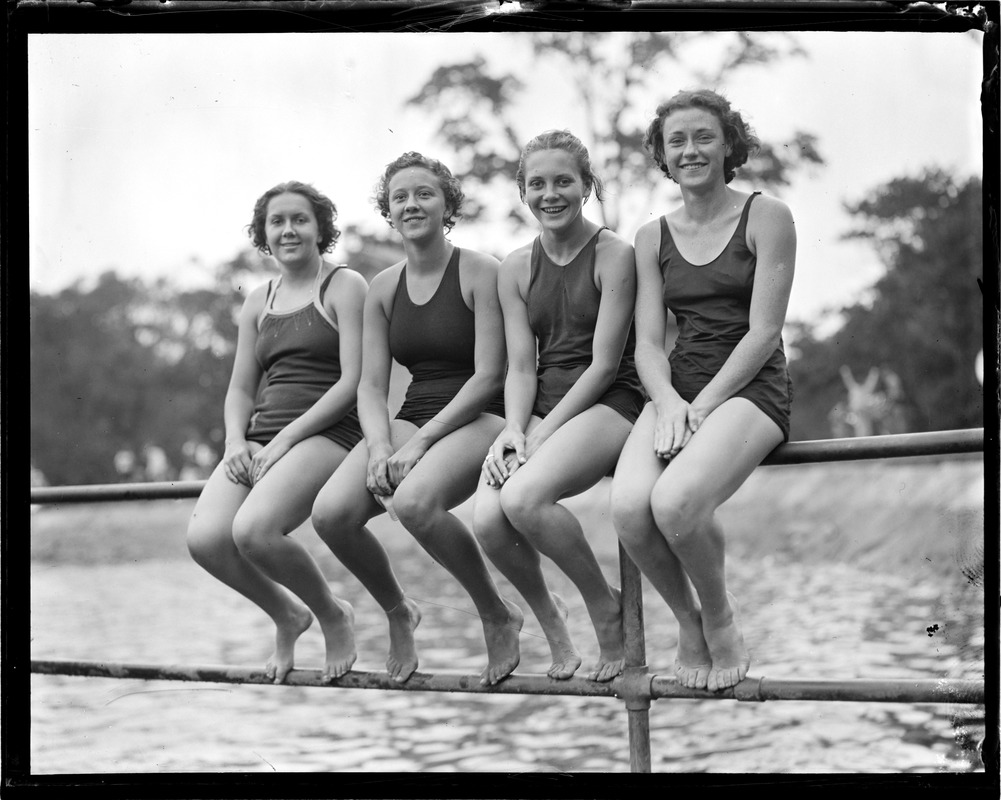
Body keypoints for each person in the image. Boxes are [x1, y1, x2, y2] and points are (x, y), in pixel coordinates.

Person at [311, 152, 522, 685]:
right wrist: (380, 445)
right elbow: (371, 385)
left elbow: (490, 376)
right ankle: (397, 610)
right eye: (400, 196)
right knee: (331, 514)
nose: (411, 204)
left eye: (424, 193)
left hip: (481, 414)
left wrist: (419, 445)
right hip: (414, 417)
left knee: (414, 502)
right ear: (388, 210)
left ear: (448, 204)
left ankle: (496, 612)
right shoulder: (383, 287)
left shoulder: (480, 271)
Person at [610, 90, 796, 692]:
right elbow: (646, 344)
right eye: (677, 142)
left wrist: (702, 407)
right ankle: (686, 621)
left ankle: (718, 618)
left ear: (728, 144)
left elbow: (765, 331)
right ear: (663, 155)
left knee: (675, 503)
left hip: (749, 386)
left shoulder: (768, 216)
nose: (690, 151)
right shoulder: (650, 237)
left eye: (703, 137)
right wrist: (667, 403)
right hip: (677, 390)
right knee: (629, 510)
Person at [473, 130, 645, 683]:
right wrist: (515, 430)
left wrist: (542, 437)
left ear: (587, 186)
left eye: (564, 181)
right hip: (543, 407)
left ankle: (604, 604)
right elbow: (522, 367)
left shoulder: (615, 254)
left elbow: (602, 365)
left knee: (523, 497)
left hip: (612, 399)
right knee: (488, 521)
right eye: (539, 183)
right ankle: (555, 617)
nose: (552, 194)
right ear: (523, 191)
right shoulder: (515, 268)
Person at [186, 181, 368, 684]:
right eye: (277, 222)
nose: (289, 230)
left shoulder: (345, 286)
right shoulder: (258, 301)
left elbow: (353, 382)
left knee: (253, 531)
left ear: (320, 228)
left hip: (329, 433)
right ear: (264, 234)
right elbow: (241, 388)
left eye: (300, 219)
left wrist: (286, 440)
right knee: (206, 540)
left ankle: (333, 614)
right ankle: (288, 614)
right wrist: (234, 441)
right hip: (261, 437)